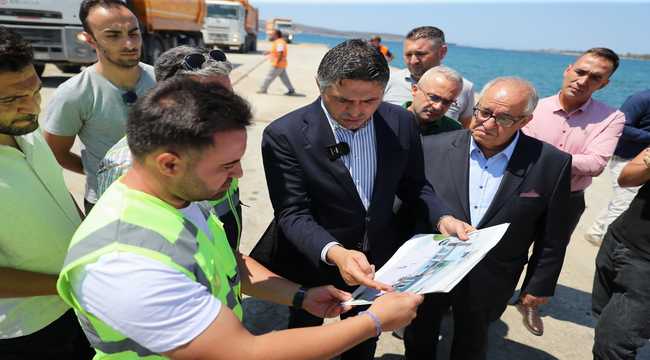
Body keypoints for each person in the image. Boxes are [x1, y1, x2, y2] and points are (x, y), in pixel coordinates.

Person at [56, 77, 423, 360]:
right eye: (228, 166)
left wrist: (300, 296)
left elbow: (228, 263)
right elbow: (243, 353)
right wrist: (375, 321)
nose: (238, 176)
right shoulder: (125, 259)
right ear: (169, 163)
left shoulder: (175, 197)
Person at [257, 39, 472, 360]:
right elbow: (292, 213)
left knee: (362, 340)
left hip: (378, 263)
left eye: (370, 101)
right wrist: (336, 254)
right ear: (320, 86)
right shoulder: (284, 135)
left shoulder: (401, 122)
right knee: (303, 338)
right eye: (343, 100)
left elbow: (415, 185)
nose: (356, 112)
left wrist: (443, 218)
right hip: (313, 260)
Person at [402, 77, 572, 360]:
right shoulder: (431, 148)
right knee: (419, 332)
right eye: (484, 112)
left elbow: (553, 234)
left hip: (494, 275)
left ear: (525, 121)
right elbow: (410, 206)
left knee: (473, 340)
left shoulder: (551, 163)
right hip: (431, 268)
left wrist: (538, 286)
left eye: (503, 117)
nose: (488, 123)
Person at [0, 26, 93, 359]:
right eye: (11, 99)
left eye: (36, 91)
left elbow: (55, 190)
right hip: (25, 331)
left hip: (75, 305)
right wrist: (68, 286)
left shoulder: (26, 129)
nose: (32, 107)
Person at [521, 47, 625, 334]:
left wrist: (541, 157)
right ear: (568, 69)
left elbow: (596, 164)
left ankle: (531, 301)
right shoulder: (533, 107)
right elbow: (515, 152)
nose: (583, 80)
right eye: (580, 71)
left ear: (604, 84)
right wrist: (565, 161)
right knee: (509, 247)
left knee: (550, 252)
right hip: (524, 191)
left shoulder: (611, 118)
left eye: (595, 77)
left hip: (569, 196)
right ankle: (492, 295)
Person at [96, 45, 243, 249]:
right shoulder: (125, 165)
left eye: (230, 98)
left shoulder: (218, 143)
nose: (228, 111)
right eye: (212, 103)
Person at [43, 0, 156, 214]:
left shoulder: (163, 81)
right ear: (89, 39)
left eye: (134, 33)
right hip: (107, 207)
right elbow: (56, 151)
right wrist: (98, 171)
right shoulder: (74, 93)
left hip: (164, 203)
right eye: (113, 35)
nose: (129, 44)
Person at [592, 147, 650, 360]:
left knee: (614, 345)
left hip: (645, 267)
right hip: (619, 240)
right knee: (602, 317)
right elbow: (626, 178)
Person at [586, 89, 650, 246]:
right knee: (624, 202)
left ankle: (596, 231)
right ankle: (609, 245)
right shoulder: (641, 98)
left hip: (643, 160)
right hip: (626, 158)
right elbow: (621, 126)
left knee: (621, 199)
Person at [383, 26, 475, 126]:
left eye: (420, 54)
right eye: (408, 55)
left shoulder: (464, 89)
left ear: (442, 52)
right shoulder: (388, 81)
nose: (413, 61)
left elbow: (463, 132)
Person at [405, 65, 463, 134]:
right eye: (434, 97)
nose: (438, 107)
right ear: (415, 90)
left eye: (447, 102)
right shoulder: (390, 119)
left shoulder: (454, 131)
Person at [257, 29, 296, 95]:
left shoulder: (279, 42)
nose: (271, 35)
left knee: (269, 77)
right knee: (285, 79)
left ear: (276, 35)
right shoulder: (278, 42)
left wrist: (277, 63)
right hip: (281, 64)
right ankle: (291, 90)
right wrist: (268, 52)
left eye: (273, 34)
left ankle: (263, 89)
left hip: (277, 64)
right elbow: (276, 51)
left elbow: (280, 53)